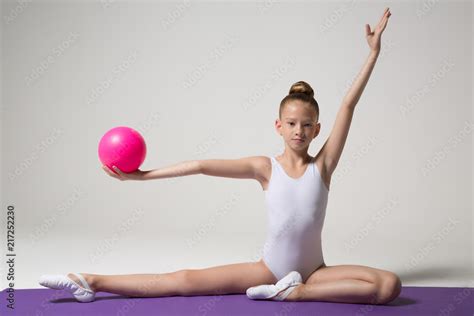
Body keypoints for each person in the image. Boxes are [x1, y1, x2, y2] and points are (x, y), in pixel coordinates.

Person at [39, 7, 401, 304]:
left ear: (317, 130)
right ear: (278, 126)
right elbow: (200, 166)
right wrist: (142, 176)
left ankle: (296, 293)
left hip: (317, 272)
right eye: (291, 123)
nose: (299, 131)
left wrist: (373, 54)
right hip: (268, 269)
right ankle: (89, 280)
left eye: (307, 125)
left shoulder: (323, 166)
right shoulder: (265, 168)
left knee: (389, 285)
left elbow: (348, 105)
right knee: (182, 280)